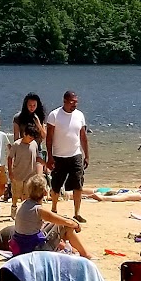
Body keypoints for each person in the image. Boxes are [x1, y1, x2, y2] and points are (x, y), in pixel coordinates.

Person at [9, 175, 88, 258]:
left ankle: (70, 248)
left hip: (20, 246)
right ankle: (85, 254)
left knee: (57, 224)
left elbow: (54, 219)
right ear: (45, 192)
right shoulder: (39, 210)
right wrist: (77, 225)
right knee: (66, 227)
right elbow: (67, 222)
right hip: (33, 248)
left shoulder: (24, 204)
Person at [46, 90, 90, 221]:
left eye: (76, 102)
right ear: (65, 101)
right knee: (56, 184)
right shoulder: (54, 115)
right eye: (72, 102)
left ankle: (77, 213)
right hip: (58, 156)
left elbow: (83, 136)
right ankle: (54, 209)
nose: (74, 105)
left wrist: (86, 155)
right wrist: (49, 156)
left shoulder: (80, 115)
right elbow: (49, 138)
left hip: (75, 155)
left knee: (78, 184)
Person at [7, 117, 45, 207]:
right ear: (24, 134)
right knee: (16, 195)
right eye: (30, 137)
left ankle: (24, 211)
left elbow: (37, 157)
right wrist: (10, 172)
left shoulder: (34, 144)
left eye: (32, 138)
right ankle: (14, 207)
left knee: (27, 196)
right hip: (18, 175)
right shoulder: (16, 144)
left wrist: (46, 164)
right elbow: (10, 158)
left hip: (30, 175)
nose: (31, 140)